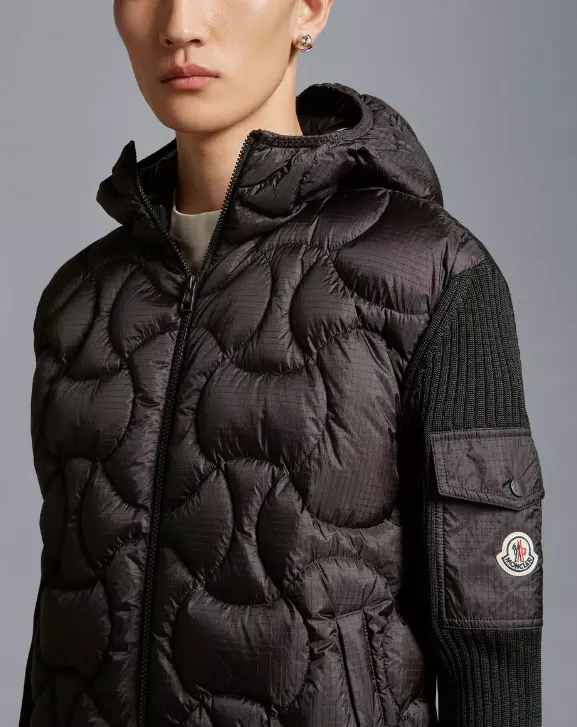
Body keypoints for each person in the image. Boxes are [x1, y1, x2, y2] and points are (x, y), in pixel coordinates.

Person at [18, 1, 545, 726]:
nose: (180, 23)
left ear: (310, 9)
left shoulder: (431, 274)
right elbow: (61, 626)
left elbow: (491, 636)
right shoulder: (78, 300)